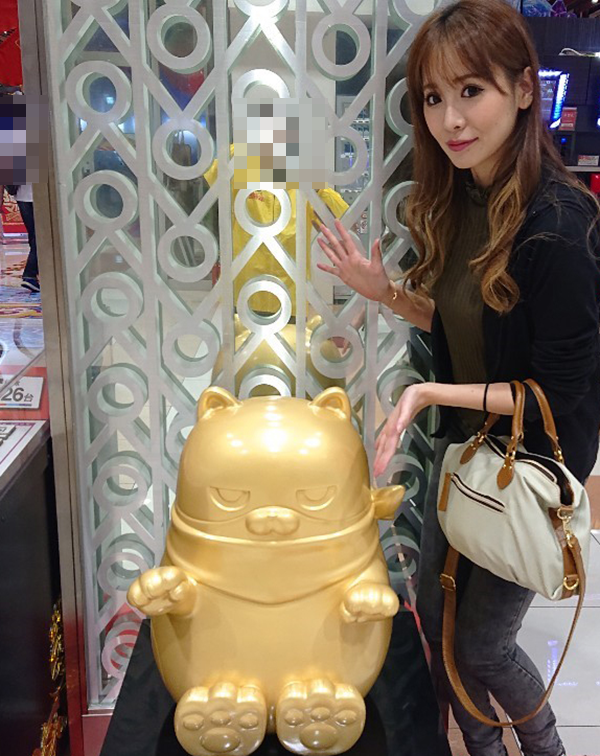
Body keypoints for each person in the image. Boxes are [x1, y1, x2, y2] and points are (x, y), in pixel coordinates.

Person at [315, 2, 600, 756]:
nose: (450, 119)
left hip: (531, 463)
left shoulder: (560, 224)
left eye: (471, 91)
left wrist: (426, 394)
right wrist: (385, 293)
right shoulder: (461, 197)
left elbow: (556, 391)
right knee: (437, 622)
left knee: (480, 646)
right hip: (469, 447)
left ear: (525, 89)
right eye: (434, 98)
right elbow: (465, 326)